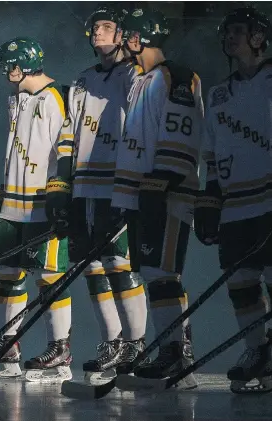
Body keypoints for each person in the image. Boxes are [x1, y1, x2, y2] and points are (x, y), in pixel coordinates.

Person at [50, 5, 147, 385]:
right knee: (91, 267)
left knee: (119, 266)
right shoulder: (82, 79)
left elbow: (140, 126)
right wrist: (61, 184)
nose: (98, 33)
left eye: (106, 27)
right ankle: (113, 342)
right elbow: (68, 136)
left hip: (116, 183)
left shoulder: (133, 75)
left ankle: (136, 343)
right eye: (95, 28)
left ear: (122, 33)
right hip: (84, 186)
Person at [114, 7, 205, 389]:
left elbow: (182, 134)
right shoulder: (140, 80)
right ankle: (172, 349)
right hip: (142, 194)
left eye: (129, 35)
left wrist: (159, 183)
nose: (124, 41)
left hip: (166, 193)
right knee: (154, 275)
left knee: (163, 274)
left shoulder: (176, 76)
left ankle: (176, 354)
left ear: (139, 37)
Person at [0, 37, 72, 382]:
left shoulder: (55, 96)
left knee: (48, 276)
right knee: (7, 276)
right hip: (13, 203)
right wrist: (2, 188)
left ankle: (60, 350)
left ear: (22, 67)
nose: (5, 74)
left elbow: (66, 150)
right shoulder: (16, 97)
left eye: (8, 68)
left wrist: (62, 191)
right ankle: (8, 349)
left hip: (41, 205)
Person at [195, 7, 272, 394]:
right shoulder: (219, 93)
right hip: (236, 203)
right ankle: (257, 352)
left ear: (258, 36)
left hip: (269, 198)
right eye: (227, 31)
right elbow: (211, 152)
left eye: (239, 31)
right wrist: (209, 198)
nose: (231, 38)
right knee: (241, 284)